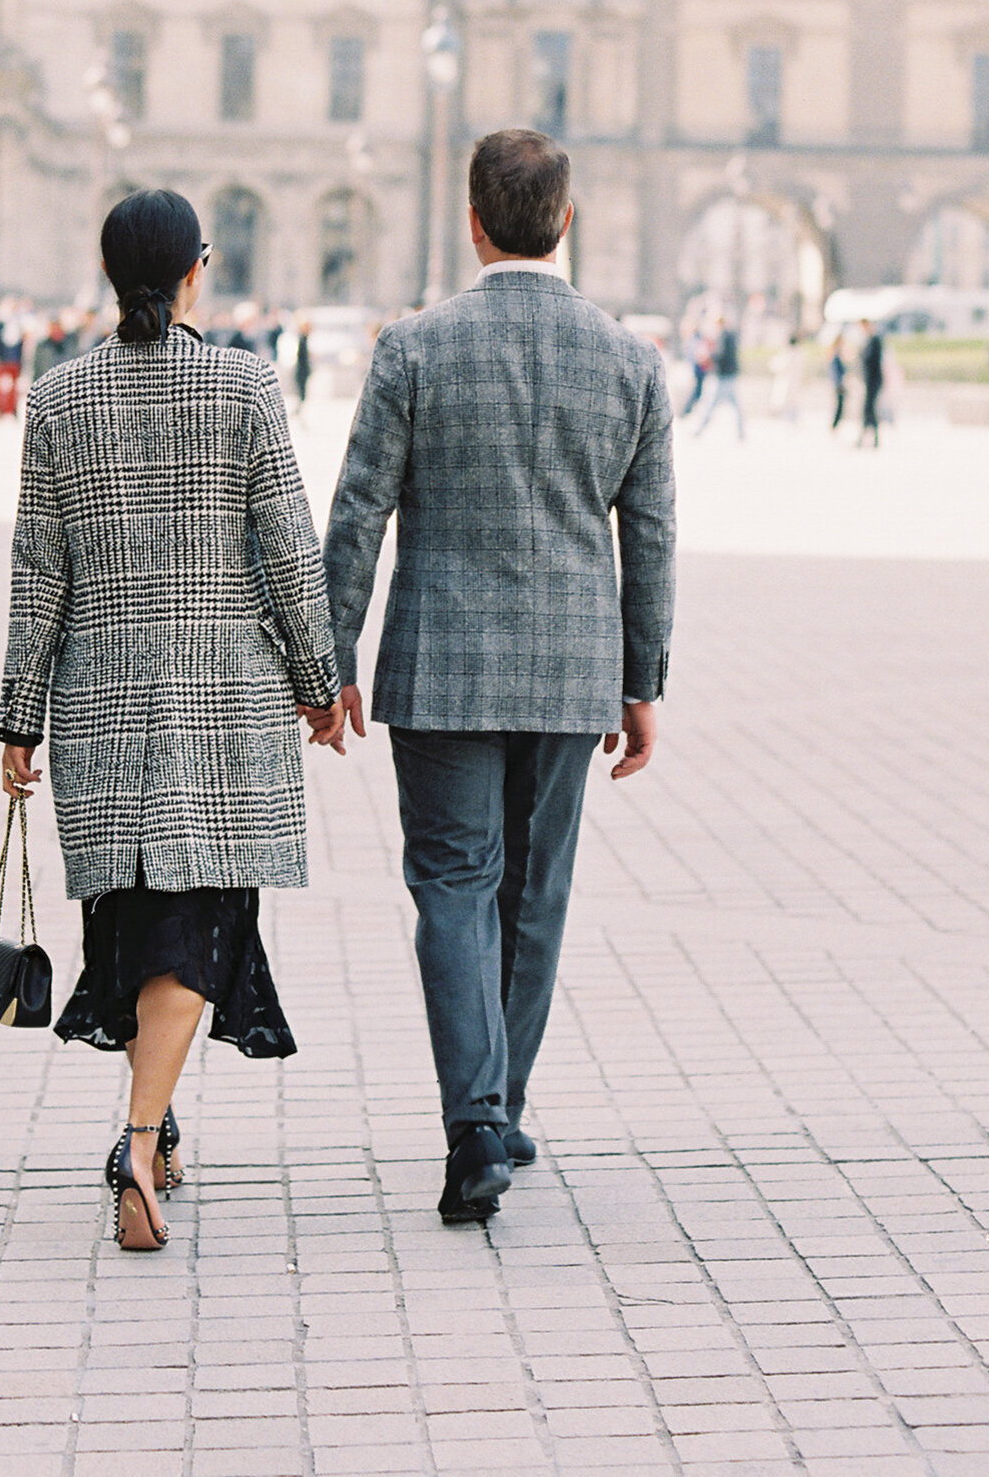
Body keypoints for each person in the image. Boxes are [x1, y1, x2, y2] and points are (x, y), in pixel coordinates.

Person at [322, 128, 675, 1228]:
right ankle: (499, 1109)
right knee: (535, 895)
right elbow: (652, 533)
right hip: (573, 672)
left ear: (470, 220)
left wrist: (329, 655)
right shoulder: (628, 361)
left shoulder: (414, 349)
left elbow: (357, 512)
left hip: (440, 667)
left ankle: (476, 1120)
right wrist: (643, 677)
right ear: (564, 224)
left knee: (453, 886)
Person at [0, 190, 344, 1255]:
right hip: (223, 701)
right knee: (194, 924)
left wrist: (19, 715)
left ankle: (161, 1126)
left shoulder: (58, 400)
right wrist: (320, 679)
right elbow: (288, 543)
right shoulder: (244, 385)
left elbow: (36, 572)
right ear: (199, 269)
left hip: (102, 704)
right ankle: (139, 1148)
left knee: (139, 917)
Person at [692, 313, 744, 440]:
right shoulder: (728, 336)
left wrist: (708, 358)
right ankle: (741, 432)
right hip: (728, 374)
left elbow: (721, 355)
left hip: (723, 375)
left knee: (711, 403)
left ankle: (699, 429)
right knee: (734, 405)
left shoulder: (724, 337)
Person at [0, 307, 25, 420]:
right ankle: (1, 408)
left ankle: (11, 408)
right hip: (4, 362)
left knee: (13, 387)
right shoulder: (0, 326)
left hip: (14, 362)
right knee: (2, 387)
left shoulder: (17, 325)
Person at [856, 318, 884, 447]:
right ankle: (867, 438)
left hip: (873, 380)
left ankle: (867, 438)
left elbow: (871, 360)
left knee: (869, 409)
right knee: (869, 409)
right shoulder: (868, 340)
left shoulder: (875, 340)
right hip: (869, 380)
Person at [292, 318, 313, 416]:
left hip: (302, 369)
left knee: (302, 393)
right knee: (301, 393)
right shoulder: (302, 339)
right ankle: (297, 411)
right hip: (301, 370)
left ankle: (298, 410)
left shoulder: (304, 339)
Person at [828, 329, 848, 432]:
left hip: (838, 383)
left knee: (840, 406)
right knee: (839, 406)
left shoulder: (837, 354)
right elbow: (836, 371)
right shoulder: (836, 355)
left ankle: (835, 425)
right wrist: (839, 383)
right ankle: (834, 425)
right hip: (839, 384)